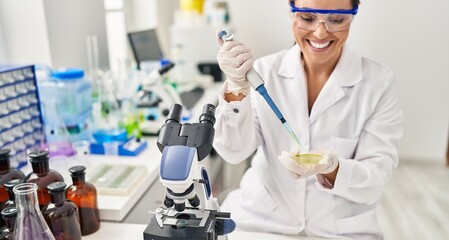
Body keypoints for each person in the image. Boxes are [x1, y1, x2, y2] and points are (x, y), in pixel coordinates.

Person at [213, 0, 403, 239]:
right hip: (261, 224)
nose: (320, 32)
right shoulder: (265, 71)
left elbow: (377, 173)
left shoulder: (378, 83)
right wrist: (235, 90)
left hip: (338, 231)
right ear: (291, 13)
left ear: (353, 16)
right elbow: (233, 152)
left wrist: (335, 170)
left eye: (336, 19)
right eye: (307, 18)